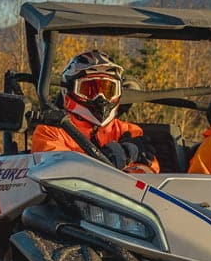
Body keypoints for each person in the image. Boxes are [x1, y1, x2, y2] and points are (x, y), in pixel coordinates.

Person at [30, 50, 159, 173]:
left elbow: (148, 176)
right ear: (68, 91)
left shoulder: (129, 131)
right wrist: (110, 158)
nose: (101, 98)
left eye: (109, 90)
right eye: (89, 90)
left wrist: (126, 164)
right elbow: (58, 174)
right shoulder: (51, 131)